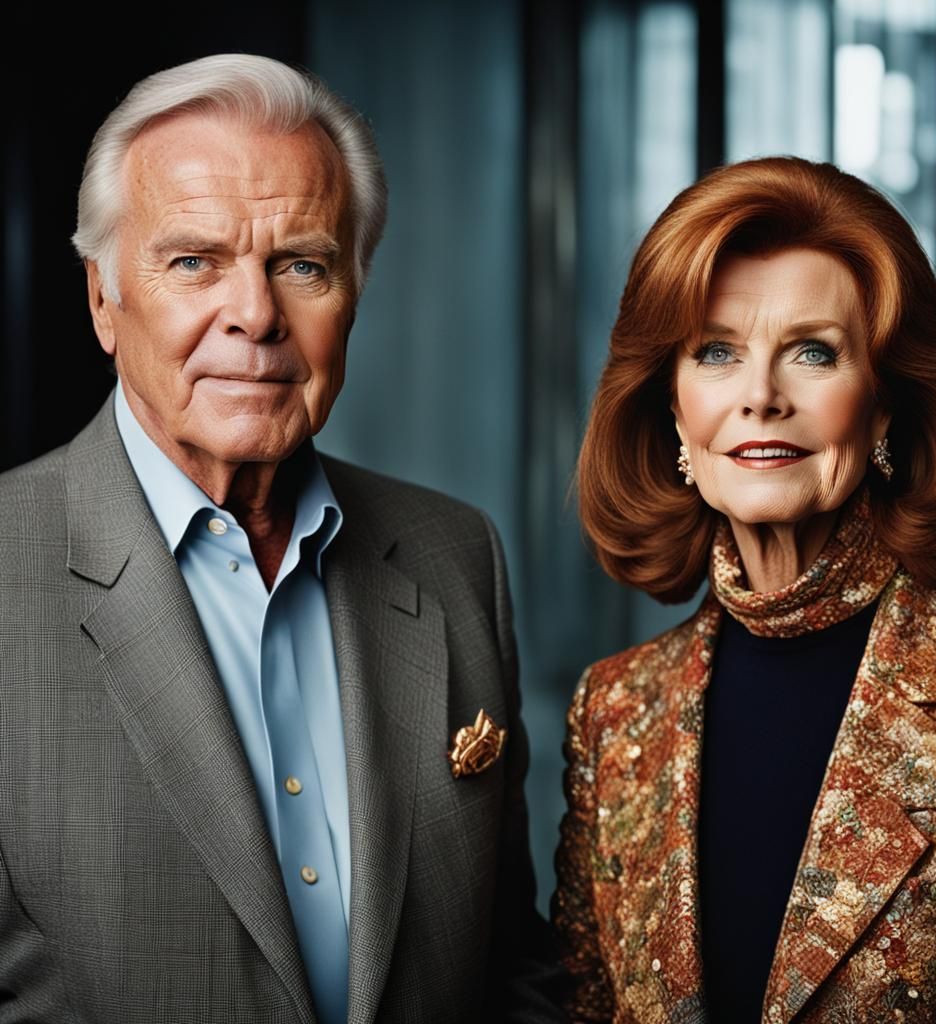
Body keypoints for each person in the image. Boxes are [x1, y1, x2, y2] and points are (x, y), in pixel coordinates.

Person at [0, 54, 564, 1023]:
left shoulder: (455, 554)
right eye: (193, 262)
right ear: (103, 299)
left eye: (301, 263)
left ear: (353, 292)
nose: (256, 316)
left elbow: (512, 970)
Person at [552, 156, 936, 1022]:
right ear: (674, 413)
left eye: (813, 351)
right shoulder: (613, 712)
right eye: (718, 353)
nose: (761, 396)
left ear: (883, 409)